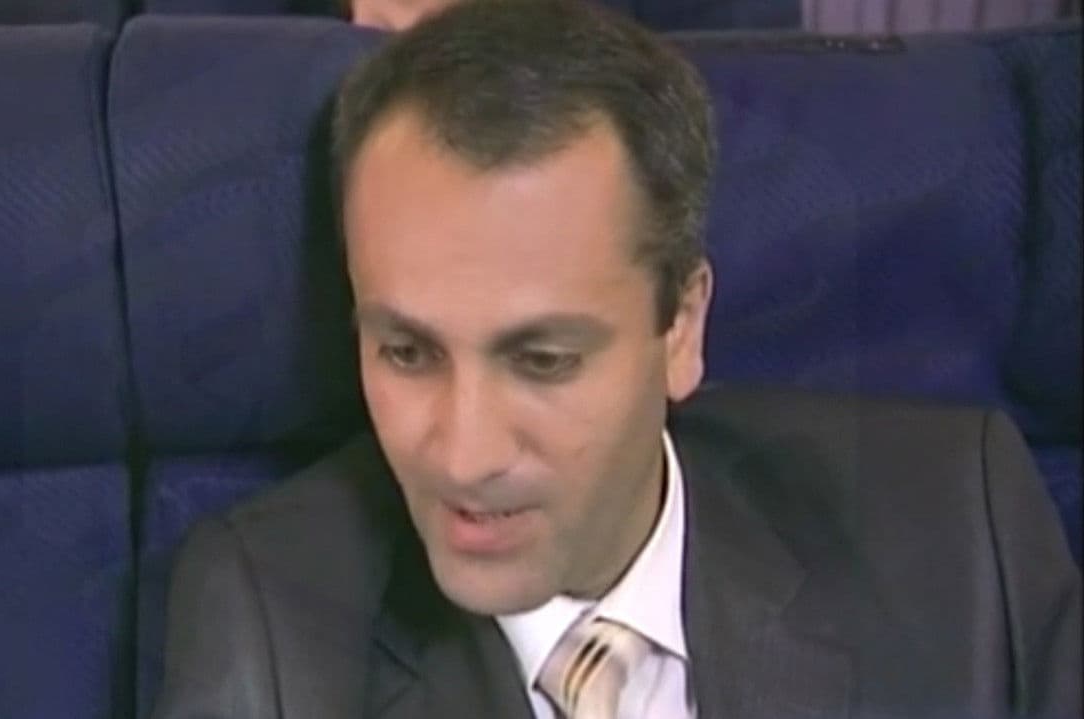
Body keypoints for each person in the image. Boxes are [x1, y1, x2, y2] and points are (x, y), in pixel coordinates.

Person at [151, 1, 1082, 717]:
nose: (465, 454)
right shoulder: (271, 625)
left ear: (681, 326)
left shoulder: (959, 534)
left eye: (543, 360)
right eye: (407, 351)